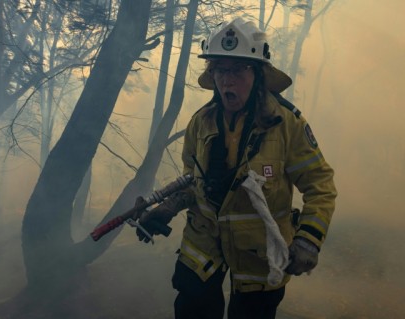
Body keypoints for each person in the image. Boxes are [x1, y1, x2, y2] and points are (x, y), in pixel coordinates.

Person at [136, 17, 337, 319]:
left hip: (259, 258)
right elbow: (194, 181)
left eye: (238, 70)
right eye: (220, 70)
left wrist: (308, 239)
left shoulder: (286, 124)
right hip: (202, 250)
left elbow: (320, 185)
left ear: (257, 74)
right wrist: (169, 206)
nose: (227, 80)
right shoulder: (200, 123)